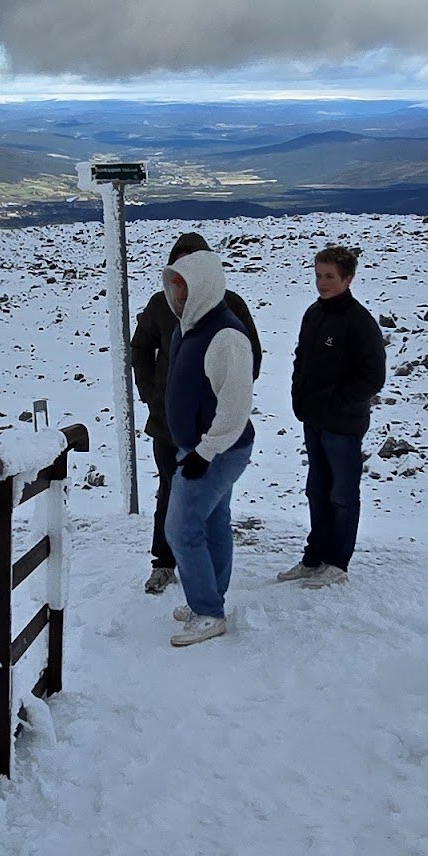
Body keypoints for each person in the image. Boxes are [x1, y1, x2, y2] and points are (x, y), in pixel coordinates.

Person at [129, 232, 259, 594]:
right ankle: (164, 563)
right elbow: (140, 348)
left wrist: (221, 399)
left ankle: (209, 593)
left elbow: (250, 358)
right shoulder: (162, 305)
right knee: (169, 492)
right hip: (166, 425)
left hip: (212, 429)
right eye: (177, 267)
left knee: (212, 510)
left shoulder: (229, 306)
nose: (182, 282)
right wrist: (152, 393)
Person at [162, 242, 258, 645]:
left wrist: (205, 451)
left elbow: (236, 406)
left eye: (184, 285)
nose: (178, 293)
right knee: (213, 521)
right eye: (174, 284)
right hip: (202, 448)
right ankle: (209, 598)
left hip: (219, 450)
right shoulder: (191, 327)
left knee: (181, 528)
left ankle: (207, 611)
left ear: (204, 285)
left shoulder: (225, 337)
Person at [283, 242, 387, 583]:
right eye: (318, 275)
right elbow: (301, 359)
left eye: (329, 276)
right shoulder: (314, 314)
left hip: (343, 424)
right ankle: (314, 557)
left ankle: (337, 562)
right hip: (314, 420)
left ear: (348, 279)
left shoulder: (360, 322)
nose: (322, 282)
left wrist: (336, 402)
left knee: (342, 495)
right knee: (317, 491)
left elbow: (372, 377)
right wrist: (299, 396)